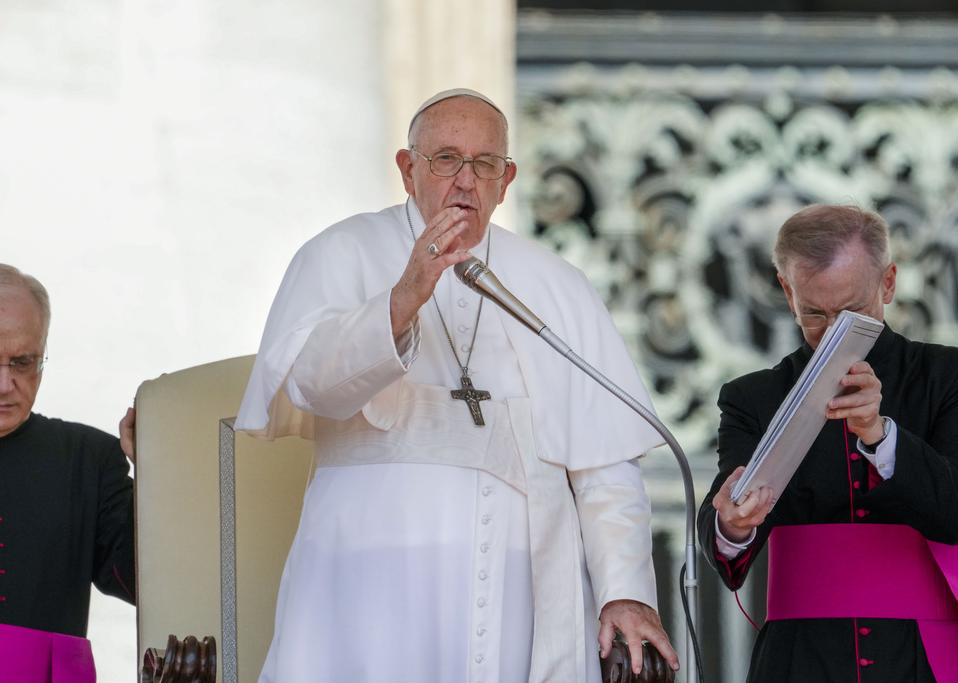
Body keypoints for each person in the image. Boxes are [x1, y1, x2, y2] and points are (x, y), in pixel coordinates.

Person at [235, 88, 680, 683]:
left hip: (518, 587)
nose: (465, 181)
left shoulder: (556, 284)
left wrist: (625, 591)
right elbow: (307, 386)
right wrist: (401, 302)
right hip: (367, 580)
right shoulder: (339, 252)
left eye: (484, 164)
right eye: (445, 159)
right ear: (407, 168)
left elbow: (605, 467)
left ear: (507, 178)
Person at [697, 204, 958, 682]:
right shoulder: (751, 398)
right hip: (801, 659)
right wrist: (732, 524)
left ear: (889, 283)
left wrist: (881, 436)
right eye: (814, 314)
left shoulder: (946, 377)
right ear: (786, 291)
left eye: (853, 312)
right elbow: (726, 534)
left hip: (926, 656)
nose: (834, 331)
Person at [0, 262, 136, 681]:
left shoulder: (91, 458)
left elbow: (148, 586)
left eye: (24, 362)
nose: (5, 384)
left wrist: (164, 474)